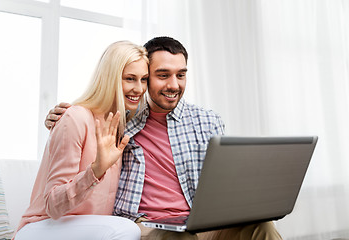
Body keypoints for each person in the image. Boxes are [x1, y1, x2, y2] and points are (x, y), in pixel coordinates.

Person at [45, 36, 283, 240]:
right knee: (175, 235)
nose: (173, 85)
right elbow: (90, 114)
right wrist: (58, 116)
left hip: (199, 222)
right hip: (149, 225)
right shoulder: (123, 120)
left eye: (181, 75)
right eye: (162, 75)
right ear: (146, 77)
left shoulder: (208, 121)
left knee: (262, 227)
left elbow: (223, 183)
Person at [15, 41, 150, 240]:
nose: (139, 88)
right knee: (126, 229)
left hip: (87, 229)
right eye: (130, 79)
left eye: (144, 79)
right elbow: (52, 205)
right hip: (42, 227)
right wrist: (96, 171)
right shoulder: (75, 118)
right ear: (110, 78)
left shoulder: (121, 124)